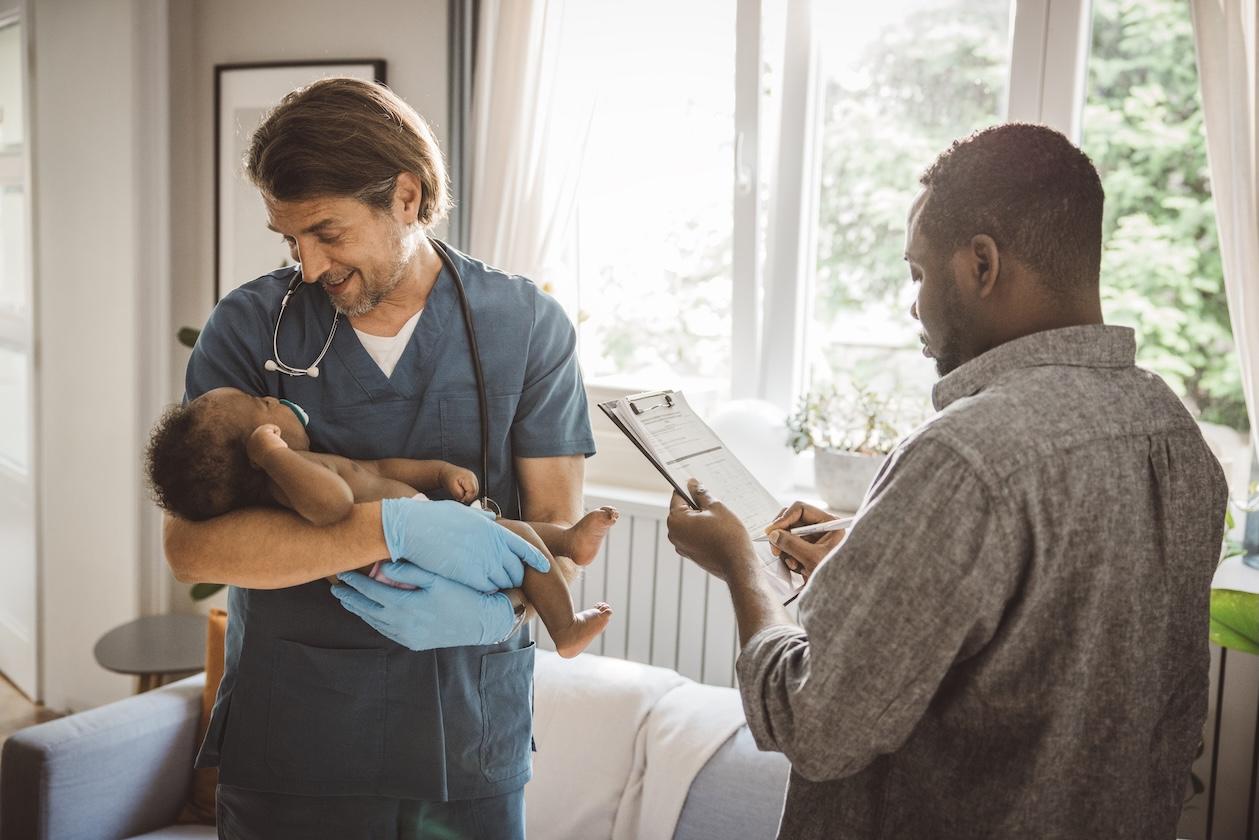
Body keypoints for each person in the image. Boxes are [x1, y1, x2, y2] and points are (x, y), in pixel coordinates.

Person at [666, 123, 1228, 839]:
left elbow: (813, 726)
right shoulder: (1173, 433)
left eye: (918, 273)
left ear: (982, 264)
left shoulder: (964, 455)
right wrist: (868, 552)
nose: (913, 304)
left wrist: (741, 563)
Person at [161, 78, 596, 839]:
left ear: (405, 195)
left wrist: (503, 608)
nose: (307, 264)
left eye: (326, 232)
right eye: (289, 239)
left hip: (466, 733)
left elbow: (555, 533)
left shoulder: (526, 326)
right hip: (296, 740)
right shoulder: (248, 328)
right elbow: (193, 545)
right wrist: (393, 530)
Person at [148, 387, 615, 656]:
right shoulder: (287, 483)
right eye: (261, 403)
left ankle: (568, 545)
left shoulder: (304, 465)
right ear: (258, 448)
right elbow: (334, 505)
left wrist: (436, 472)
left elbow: (376, 471)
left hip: (433, 539)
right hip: (414, 561)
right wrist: (275, 457)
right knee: (525, 543)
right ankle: (565, 627)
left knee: (519, 536)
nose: (272, 397)